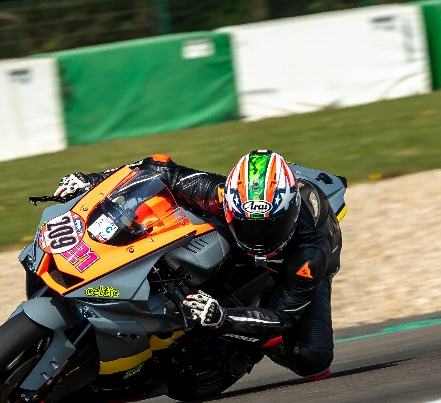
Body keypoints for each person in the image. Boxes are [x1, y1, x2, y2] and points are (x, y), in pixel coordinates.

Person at [53, 151, 341, 381]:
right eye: (248, 225)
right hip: (236, 237)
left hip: (290, 267)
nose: (259, 236)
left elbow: (282, 317)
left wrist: (223, 318)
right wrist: (91, 181)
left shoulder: (310, 253)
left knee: (311, 359)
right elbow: (157, 168)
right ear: (230, 204)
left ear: (291, 212)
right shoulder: (220, 194)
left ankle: (249, 346)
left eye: (270, 227)